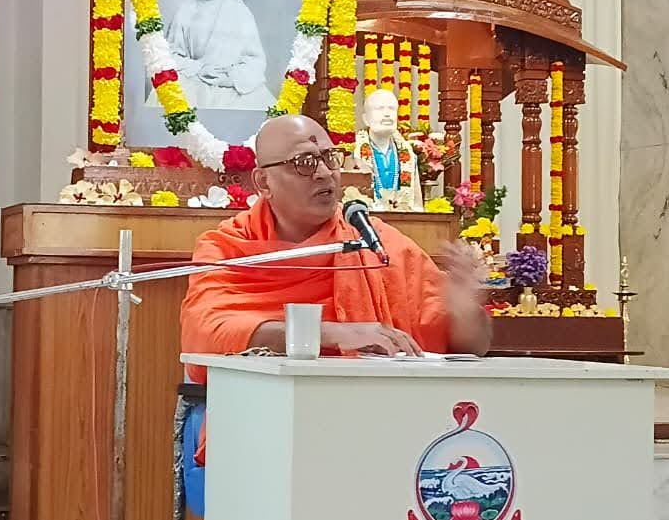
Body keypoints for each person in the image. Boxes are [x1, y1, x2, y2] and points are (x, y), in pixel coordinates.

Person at [181, 114, 490, 389]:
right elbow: (204, 333)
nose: (324, 172)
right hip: (262, 411)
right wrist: (328, 334)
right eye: (304, 162)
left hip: (372, 411)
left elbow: (472, 347)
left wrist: (464, 313)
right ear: (263, 182)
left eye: (330, 158)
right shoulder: (227, 246)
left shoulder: (377, 243)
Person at [154, 0, 275, 111]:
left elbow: (255, 60)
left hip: (231, 87)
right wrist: (199, 68)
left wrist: (230, 79)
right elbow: (169, 55)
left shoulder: (239, 10)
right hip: (194, 83)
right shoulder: (186, 10)